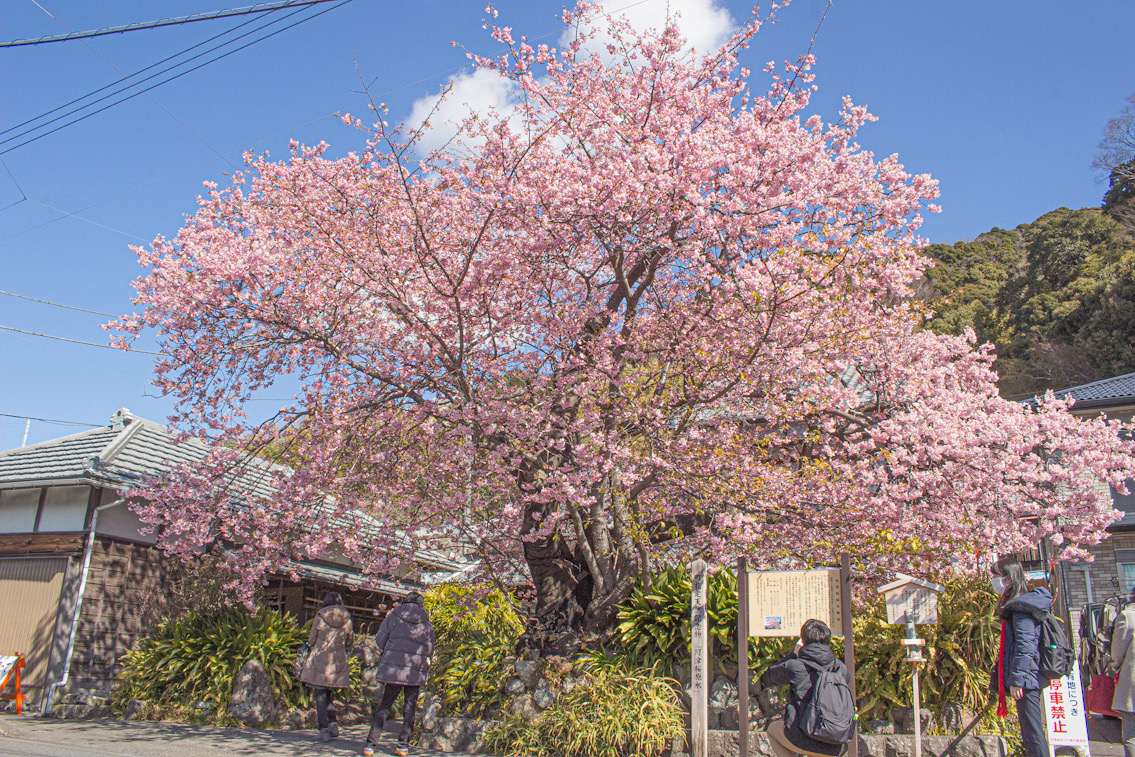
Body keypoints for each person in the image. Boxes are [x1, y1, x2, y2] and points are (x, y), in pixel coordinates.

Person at [759, 618, 852, 757]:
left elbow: (769, 677)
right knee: (816, 745)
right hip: (836, 743)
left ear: (803, 640)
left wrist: (794, 654)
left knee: (773, 730)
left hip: (802, 739)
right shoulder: (840, 669)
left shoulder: (795, 666)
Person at [990, 556, 1052, 757]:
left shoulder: (1022, 607)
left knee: (1032, 732)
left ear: (1009, 578)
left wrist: (1017, 680)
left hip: (1027, 679)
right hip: (1028, 676)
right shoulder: (1023, 603)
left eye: (997, 576)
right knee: (1030, 730)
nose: (995, 582)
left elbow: (1025, 646)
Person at [363, 591, 436, 757]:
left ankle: (370, 745)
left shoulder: (392, 618)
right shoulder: (427, 624)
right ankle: (403, 746)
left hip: (394, 669)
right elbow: (430, 650)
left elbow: (380, 641)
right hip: (414, 672)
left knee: (384, 706)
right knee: (409, 709)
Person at [300, 591, 355, 742]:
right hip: (336, 661)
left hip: (319, 661)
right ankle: (333, 725)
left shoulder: (319, 618)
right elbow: (350, 642)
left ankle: (323, 728)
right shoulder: (347, 621)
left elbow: (312, 639)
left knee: (320, 695)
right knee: (328, 695)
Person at [1110, 589, 1135, 757]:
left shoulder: (1128, 616)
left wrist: (1116, 666)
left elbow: (1118, 651)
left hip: (1133, 681)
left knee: (1132, 735)